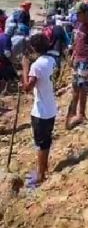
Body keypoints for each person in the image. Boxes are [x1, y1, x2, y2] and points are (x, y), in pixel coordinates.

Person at [21, 34, 58, 187]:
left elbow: (27, 88)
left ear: (34, 48)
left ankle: (40, 175)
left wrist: (25, 69)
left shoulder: (36, 66)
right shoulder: (51, 60)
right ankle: (44, 168)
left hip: (41, 111)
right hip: (51, 108)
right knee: (46, 141)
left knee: (41, 144)